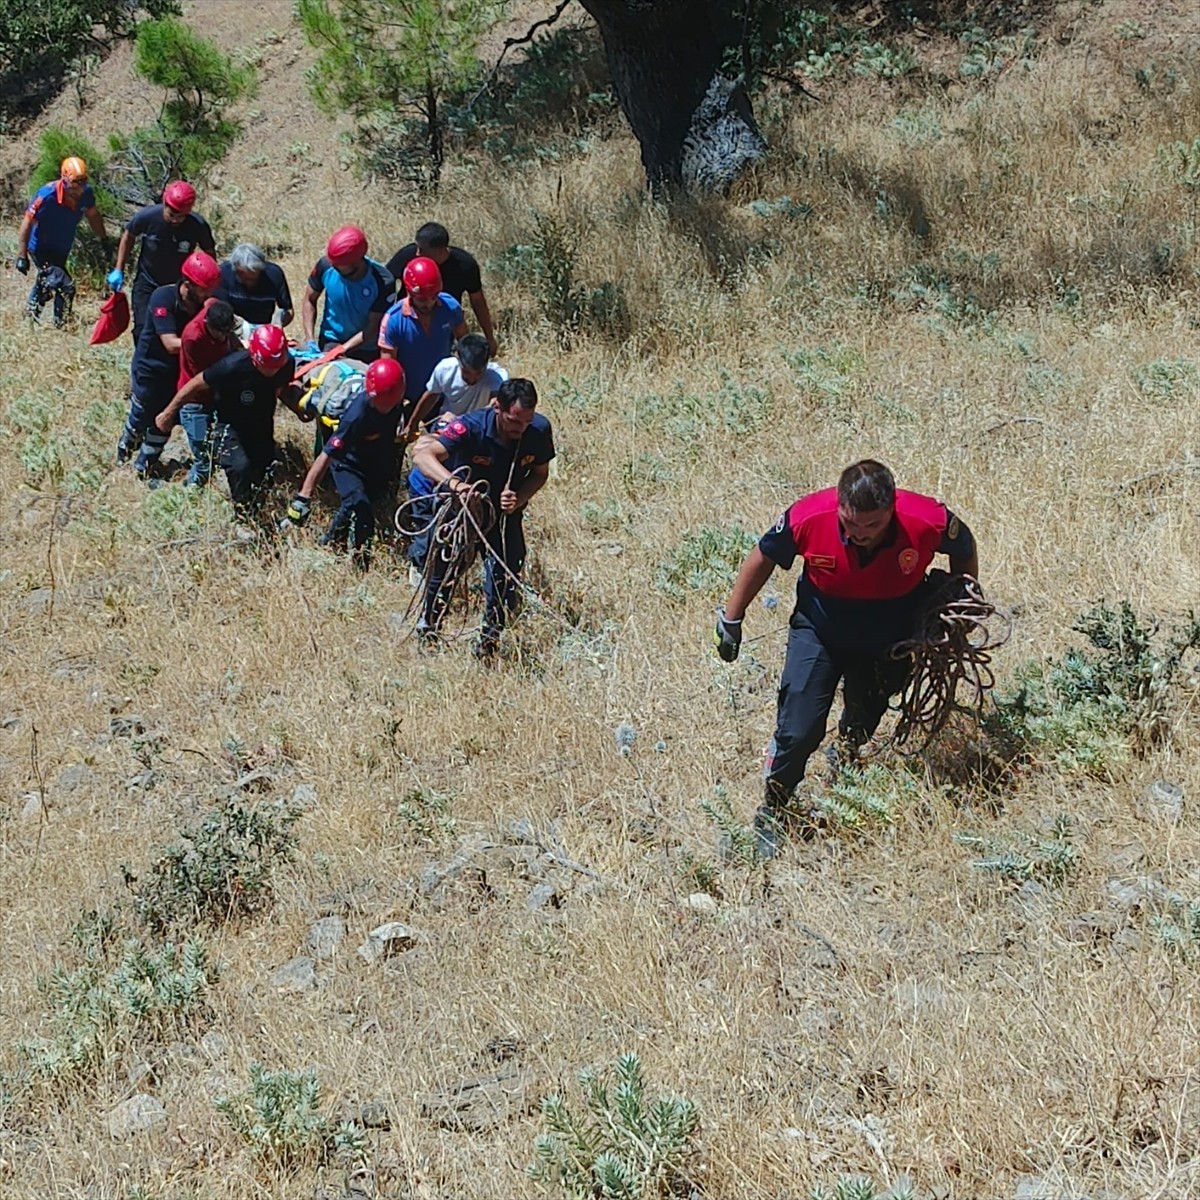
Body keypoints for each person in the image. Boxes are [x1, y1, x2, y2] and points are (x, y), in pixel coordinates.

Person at [714, 459, 980, 858]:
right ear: (839, 505)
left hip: (891, 635)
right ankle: (775, 807)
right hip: (820, 631)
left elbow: (964, 545)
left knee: (866, 710)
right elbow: (763, 556)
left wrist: (964, 599)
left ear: (891, 509)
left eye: (872, 525)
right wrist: (731, 620)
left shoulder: (926, 520)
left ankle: (847, 754)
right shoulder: (809, 517)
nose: (859, 533)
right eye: (850, 523)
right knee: (799, 728)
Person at [410, 378, 554, 658]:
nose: (520, 428)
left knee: (506, 574)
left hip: (504, 517)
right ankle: (429, 627)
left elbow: (540, 474)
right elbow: (424, 457)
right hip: (463, 512)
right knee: (445, 570)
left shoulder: (538, 430)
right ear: (497, 407)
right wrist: (456, 486)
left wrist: (519, 498)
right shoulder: (471, 426)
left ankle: (489, 641)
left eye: (526, 421)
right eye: (514, 421)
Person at [155, 325, 307, 511]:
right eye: (267, 366)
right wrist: (169, 412)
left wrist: (298, 409)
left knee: (264, 469)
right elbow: (195, 384)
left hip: (261, 422)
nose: (272, 371)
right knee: (239, 467)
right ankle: (242, 512)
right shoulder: (232, 366)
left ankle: (256, 509)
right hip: (230, 424)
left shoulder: (285, 363)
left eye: (276, 366)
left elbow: (280, 390)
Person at [281, 359, 407, 569]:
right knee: (362, 510)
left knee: (360, 504)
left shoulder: (395, 402)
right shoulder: (356, 416)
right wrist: (303, 497)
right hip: (346, 464)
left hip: (370, 460)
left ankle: (330, 542)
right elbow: (326, 455)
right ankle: (361, 565)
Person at [116, 250, 221, 480]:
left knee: (166, 420)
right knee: (142, 416)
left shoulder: (204, 303)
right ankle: (125, 449)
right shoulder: (163, 298)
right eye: (204, 289)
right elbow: (171, 344)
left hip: (177, 372)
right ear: (188, 285)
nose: (209, 294)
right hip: (151, 370)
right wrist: (203, 341)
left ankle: (145, 464)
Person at [110, 180, 216, 344]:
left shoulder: (197, 225)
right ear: (165, 203)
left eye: (181, 216)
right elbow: (129, 234)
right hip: (147, 281)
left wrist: (208, 284)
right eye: (172, 214)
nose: (176, 220)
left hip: (177, 287)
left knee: (176, 329)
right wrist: (119, 269)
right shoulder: (148, 216)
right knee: (143, 328)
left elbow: (209, 253)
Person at [16, 156, 111, 327]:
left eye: (83, 181)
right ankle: (62, 324)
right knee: (65, 285)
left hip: (62, 248)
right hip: (41, 248)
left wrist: (103, 239)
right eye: (76, 182)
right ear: (65, 179)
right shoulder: (47, 195)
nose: (80, 187)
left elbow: (93, 216)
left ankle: (30, 317)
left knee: (47, 284)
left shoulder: (86, 194)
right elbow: (27, 222)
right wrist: (22, 255)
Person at [378, 257, 468, 422]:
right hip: (407, 396)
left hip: (441, 392)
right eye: (422, 299)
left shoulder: (450, 307)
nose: (429, 303)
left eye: (433, 297)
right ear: (409, 292)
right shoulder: (394, 320)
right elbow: (389, 365)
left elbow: (465, 344)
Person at [387, 221, 497, 356]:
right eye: (417, 247)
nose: (417, 253)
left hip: (443, 329)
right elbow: (385, 281)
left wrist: (489, 337)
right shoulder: (408, 256)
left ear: (439, 251)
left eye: (422, 249)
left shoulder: (465, 266)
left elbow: (478, 301)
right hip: (408, 325)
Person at [301, 225, 393, 362]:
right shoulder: (325, 266)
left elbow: (373, 327)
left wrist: (343, 349)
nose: (335, 269)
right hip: (332, 339)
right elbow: (309, 299)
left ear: (357, 263)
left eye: (340, 269)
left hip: (367, 347)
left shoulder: (383, 281)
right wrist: (310, 340)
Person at [175, 298, 240, 487]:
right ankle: (190, 492)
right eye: (219, 333)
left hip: (217, 395)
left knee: (221, 448)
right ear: (207, 323)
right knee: (203, 458)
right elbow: (204, 378)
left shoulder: (215, 309)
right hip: (195, 400)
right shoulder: (193, 337)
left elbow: (211, 301)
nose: (222, 338)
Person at [401, 332, 508, 442]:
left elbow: (493, 407)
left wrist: (461, 421)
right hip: (447, 423)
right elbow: (431, 396)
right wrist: (412, 424)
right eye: (466, 372)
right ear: (458, 359)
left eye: (478, 373)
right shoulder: (445, 369)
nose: (472, 378)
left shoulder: (497, 377)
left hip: (478, 428)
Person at [219, 243, 293, 331]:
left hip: (264, 329)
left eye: (253, 278)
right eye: (245, 279)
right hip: (233, 329)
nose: (249, 283)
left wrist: (277, 323)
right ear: (236, 269)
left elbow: (288, 310)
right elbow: (218, 310)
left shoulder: (274, 274)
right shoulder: (224, 274)